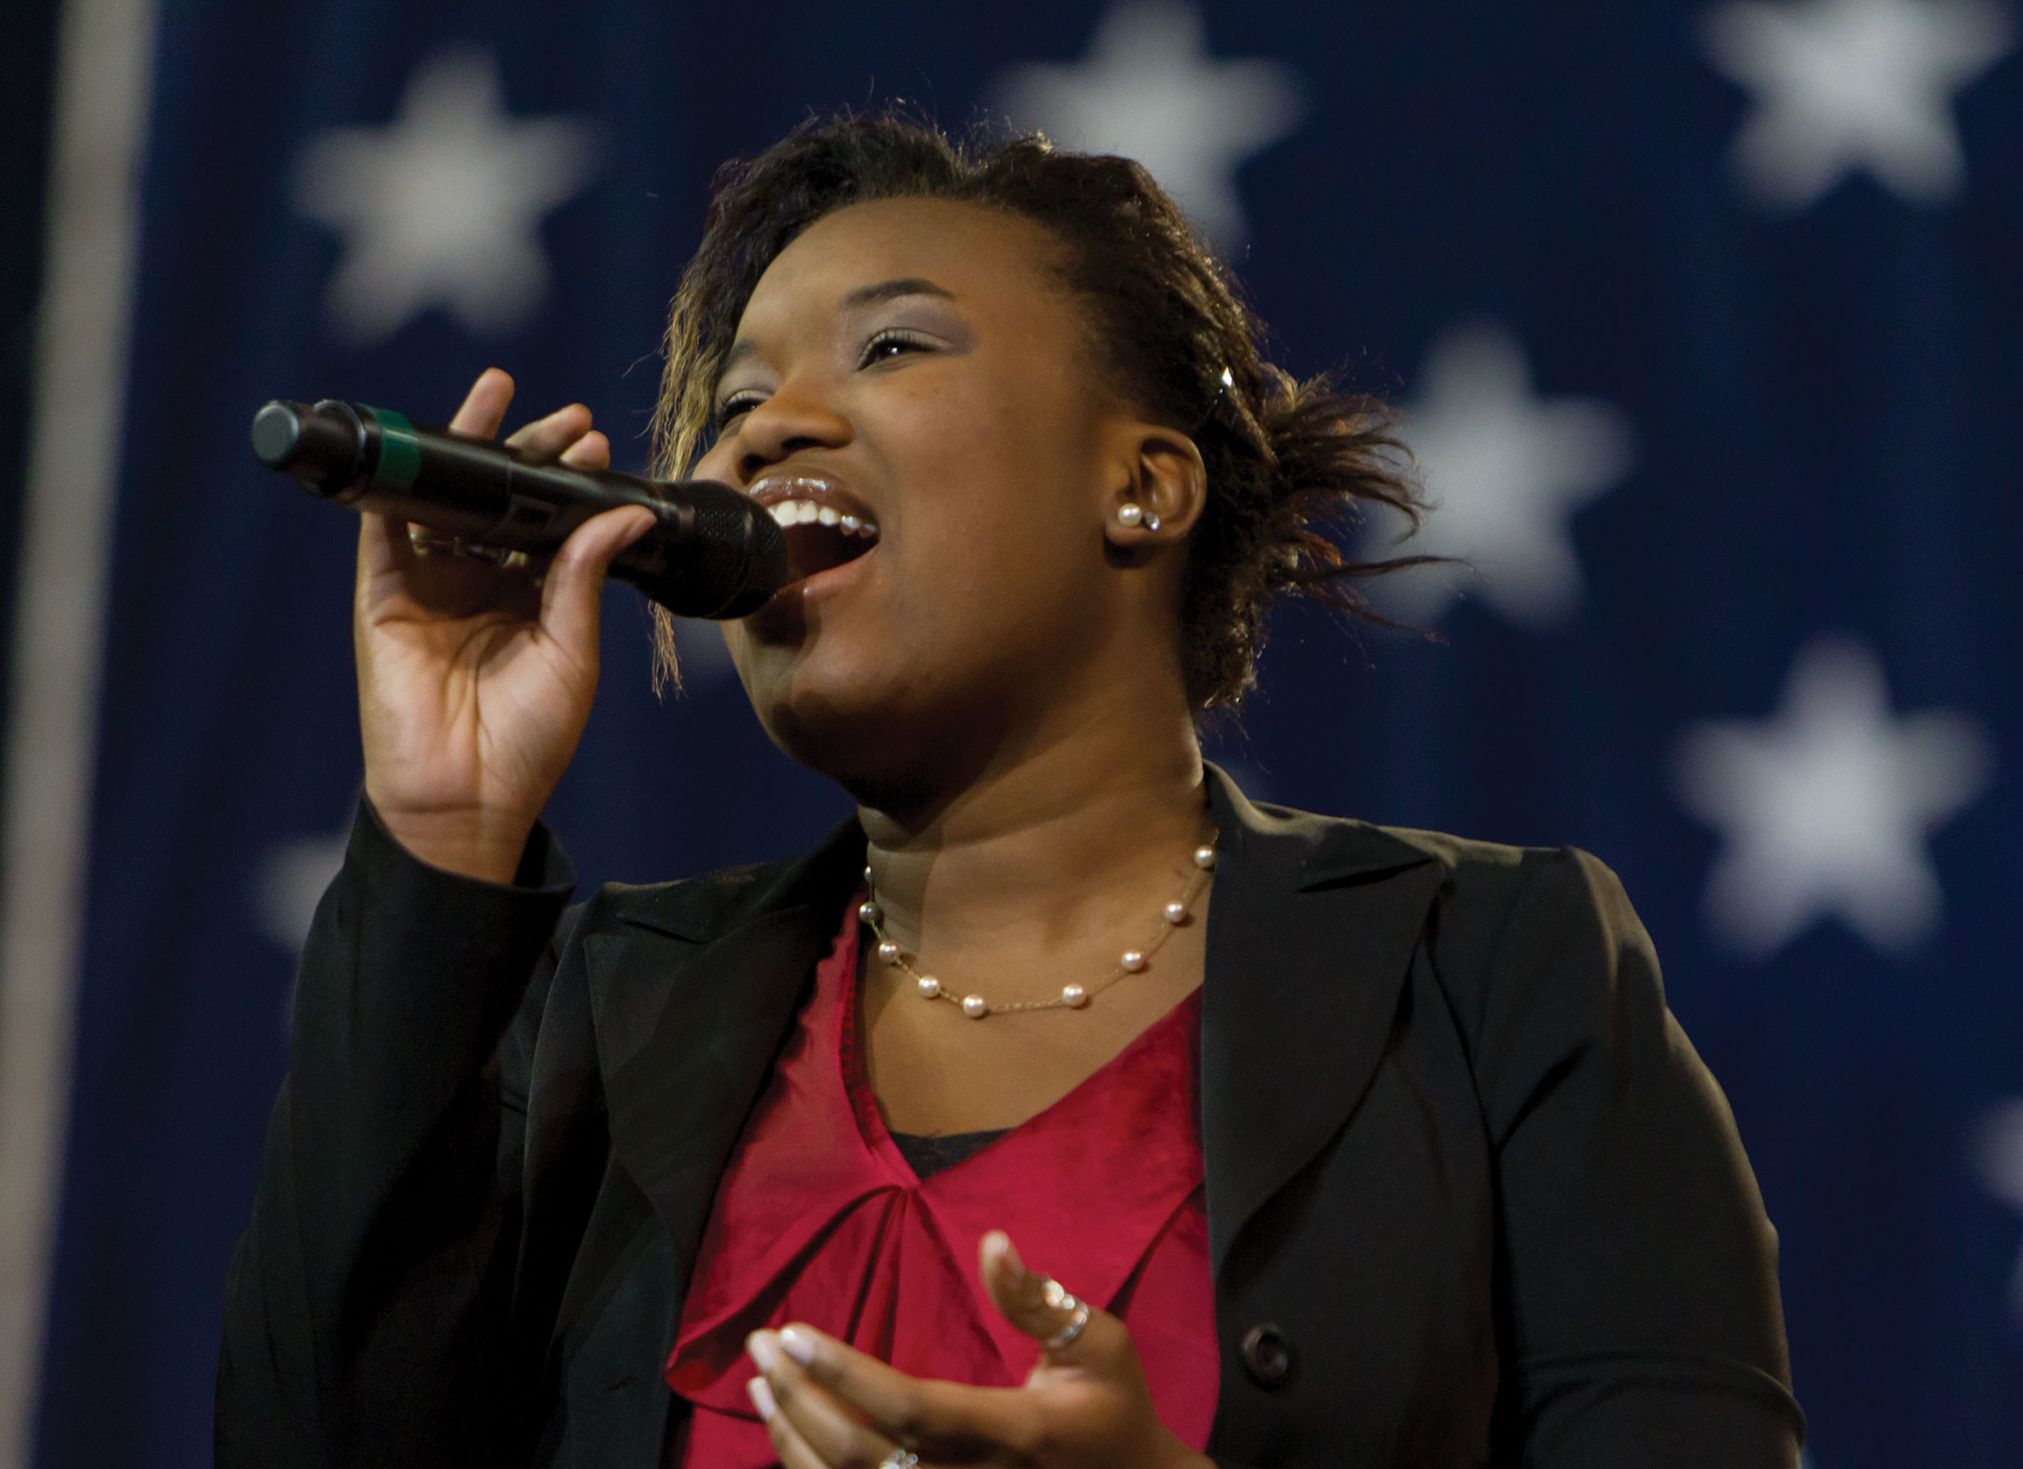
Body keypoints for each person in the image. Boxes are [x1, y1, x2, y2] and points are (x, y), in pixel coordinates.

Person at [215, 111, 1804, 1469]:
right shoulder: (599, 1017)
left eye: (893, 345)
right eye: (732, 401)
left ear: (1144, 482)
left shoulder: (1498, 974)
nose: (769, 426)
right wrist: (442, 832)